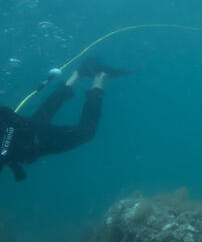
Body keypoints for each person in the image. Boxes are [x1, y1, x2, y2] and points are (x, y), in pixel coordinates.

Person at [0, 59, 130, 181]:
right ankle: (78, 74)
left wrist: (22, 128)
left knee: (86, 133)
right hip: (30, 136)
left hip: (37, 141)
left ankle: (100, 76)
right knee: (45, 112)